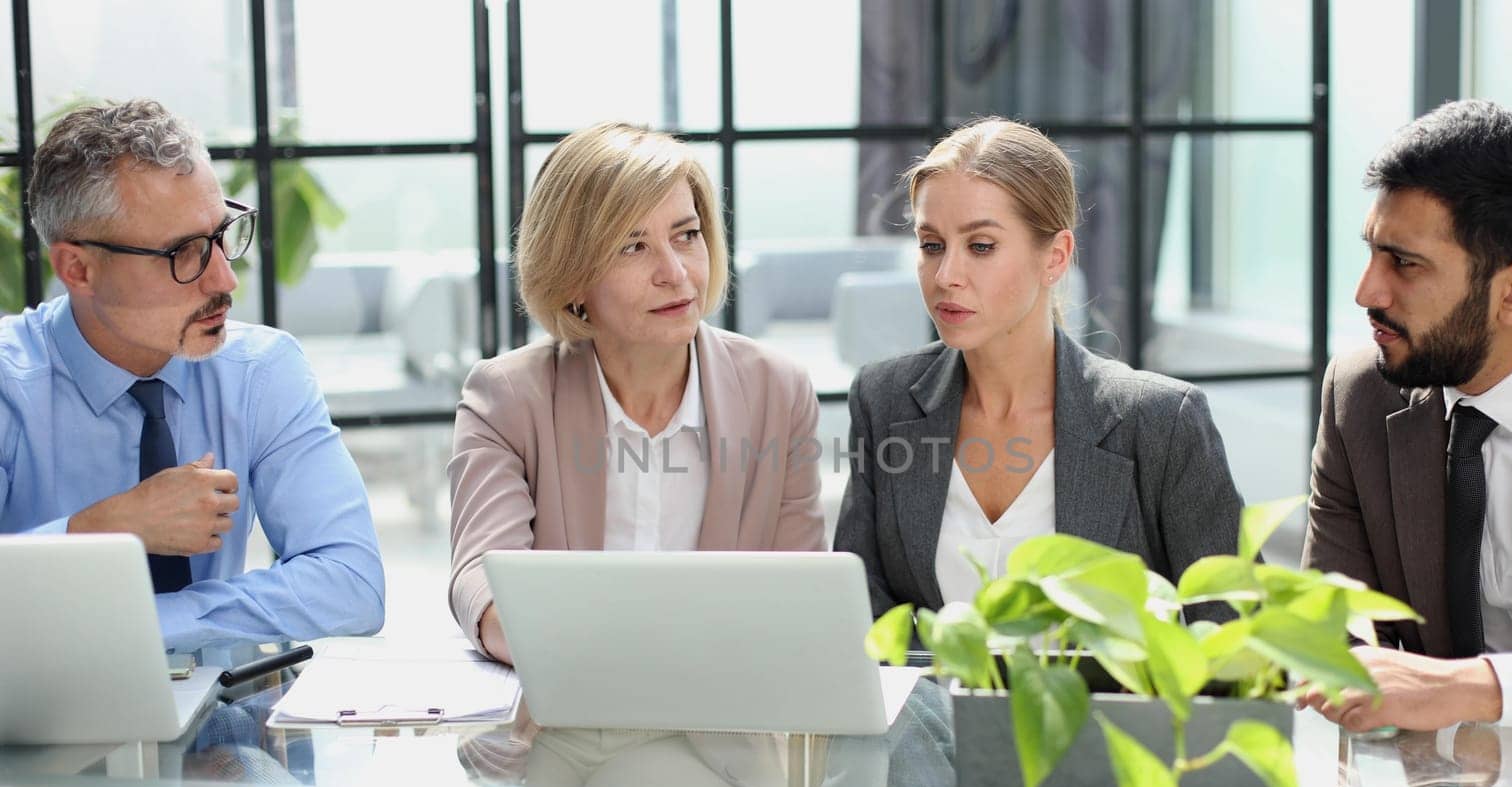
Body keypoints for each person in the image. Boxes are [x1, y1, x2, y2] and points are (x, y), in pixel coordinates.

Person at [0, 99, 384, 651]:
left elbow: (352, 586)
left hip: (215, 715)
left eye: (221, 235)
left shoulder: (261, 371)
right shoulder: (12, 385)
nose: (224, 279)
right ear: (78, 269)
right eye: (183, 252)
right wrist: (105, 530)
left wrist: (144, 626)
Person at [833, 117, 1243, 623]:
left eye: (981, 246)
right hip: (927, 705)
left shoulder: (1160, 422)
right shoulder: (884, 400)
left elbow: (1237, 640)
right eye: (931, 244)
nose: (946, 276)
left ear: (1055, 257)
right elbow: (857, 618)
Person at [448, 122, 825, 664]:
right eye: (633, 246)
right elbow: (482, 587)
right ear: (572, 276)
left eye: (687, 235)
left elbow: (801, 599)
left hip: (726, 726)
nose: (675, 273)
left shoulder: (777, 389)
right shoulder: (506, 398)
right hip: (567, 717)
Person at [1300, 99, 1512, 747]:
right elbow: (1332, 630)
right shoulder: (1361, 396)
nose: (1366, 292)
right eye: (1373, 252)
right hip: (1445, 786)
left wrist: (1478, 689)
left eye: (1405, 263)